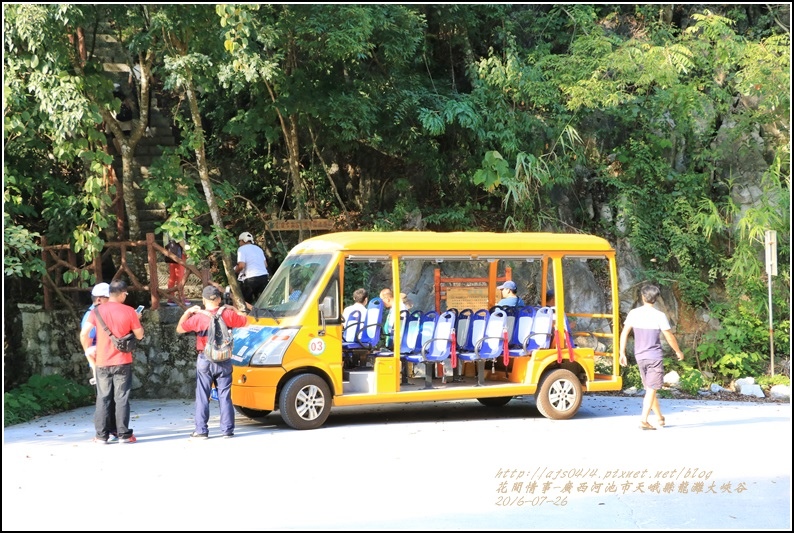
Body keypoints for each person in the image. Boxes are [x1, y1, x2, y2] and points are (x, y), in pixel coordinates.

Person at [176, 285, 248, 439]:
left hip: (205, 359)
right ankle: (227, 430)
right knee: (225, 395)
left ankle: (201, 430)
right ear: (219, 300)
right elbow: (246, 321)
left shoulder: (198, 317)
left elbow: (180, 329)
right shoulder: (227, 314)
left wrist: (187, 312)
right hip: (224, 359)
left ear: (203, 300)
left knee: (203, 395)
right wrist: (233, 309)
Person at [80, 280, 144, 444]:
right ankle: (124, 434)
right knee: (121, 397)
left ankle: (101, 436)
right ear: (123, 294)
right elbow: (139, 335)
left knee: (103, 397)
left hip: (102, 361)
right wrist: (136, 319)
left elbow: (85, 333)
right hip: (122, 361)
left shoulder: (96, 311)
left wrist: (88, 351)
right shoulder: (129, 311)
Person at [619, 284, 685, 431]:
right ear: (656, 299)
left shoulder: (634, 313)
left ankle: (660, 417)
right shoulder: (659, 315)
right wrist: (678, 351)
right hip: (654, 357)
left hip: (640, 356)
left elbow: (624, 333)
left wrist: (621, 353)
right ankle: (643, 420)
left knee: (650, 388)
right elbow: (669, 336)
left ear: (643, 297)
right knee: (651, 389)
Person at [80, 282, 118, 441]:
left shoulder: (100, 312)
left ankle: (113, 430)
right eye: (110, 297)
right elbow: (86, 341)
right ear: (101, 299)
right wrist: (93, 364)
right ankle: (105, 432)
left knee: (112, 398)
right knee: (104, 399)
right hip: (98, 362)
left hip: (106, 360)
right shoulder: (92, 315)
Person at [234, 231, 269, 305]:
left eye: (239, 241)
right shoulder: (258, 249)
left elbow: (241, 265)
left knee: (246, 302)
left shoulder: (242, 249)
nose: (239, 243)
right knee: (263, 302)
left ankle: (248, 315)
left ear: (243, 240)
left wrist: (235, 271)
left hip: (251, 278)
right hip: (264, 277)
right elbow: (265, 265)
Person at [165, 235, 188, 306]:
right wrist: (186, 250)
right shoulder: (177, 224)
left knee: (172, 276)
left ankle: (170, 297)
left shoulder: (166, 225)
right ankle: (181, 297)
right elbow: (180, 239)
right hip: (179, 252)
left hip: (170, 251)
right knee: (180, 275)